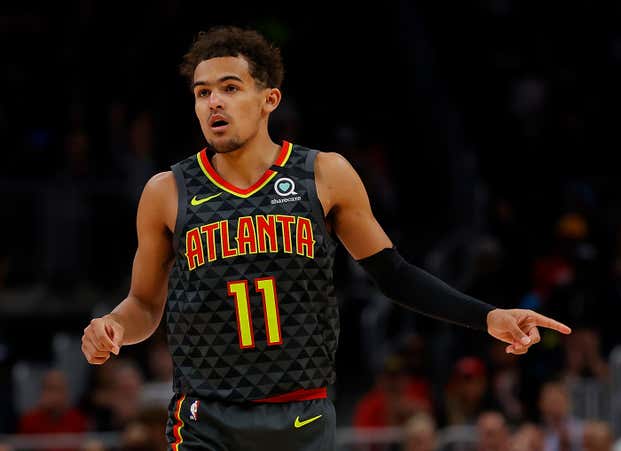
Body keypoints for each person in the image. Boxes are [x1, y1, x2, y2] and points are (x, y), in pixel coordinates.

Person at [80, 25, 572, 451]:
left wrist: (488, 316)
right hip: (204, 416)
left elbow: (393, 275)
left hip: (301, 413)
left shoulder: (324, 174)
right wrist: (113, 327)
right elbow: (144, 305)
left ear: (269, 98)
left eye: (230, 88)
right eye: (202, 92)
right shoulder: (167, 191)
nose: (214, 102)